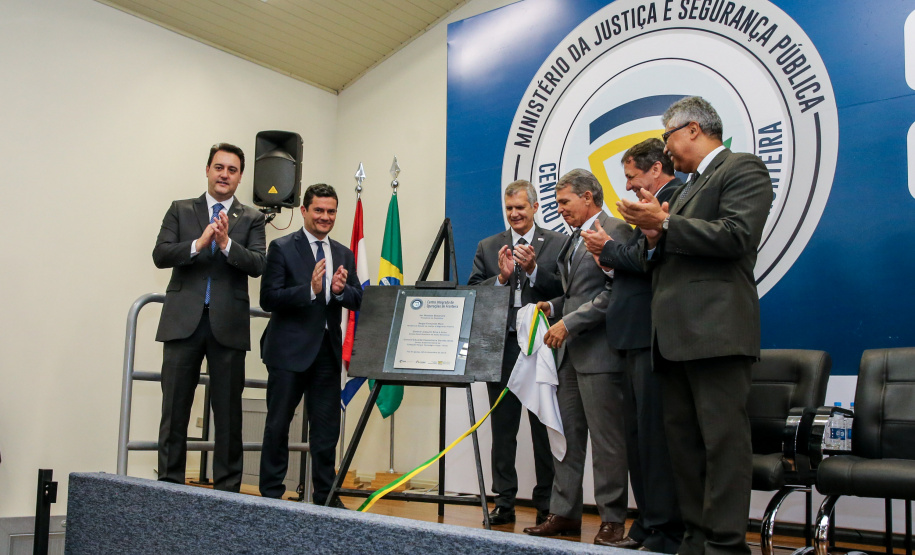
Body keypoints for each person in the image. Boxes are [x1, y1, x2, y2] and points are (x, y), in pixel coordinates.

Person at [617, 96, 773, 555]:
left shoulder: (742, 168)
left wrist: (664, 223)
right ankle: (695, 540)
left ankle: (725, 545)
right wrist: (651, 234)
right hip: (673, 339)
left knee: (723, 446)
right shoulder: (686, 188)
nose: (666, 151)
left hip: (716, 334)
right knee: (682, 449)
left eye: (667, 138)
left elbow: (736, 235)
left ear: (690, 129)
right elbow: (666, 254)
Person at [581, 138, 684, 552]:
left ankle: (665, 529)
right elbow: (638, 258)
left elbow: (648, 261)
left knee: (654, 441)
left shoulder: (672, 202)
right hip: (631, 337)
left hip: (652, 333)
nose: (627, 187)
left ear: (655, 170)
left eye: (631, 176)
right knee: (637, 440)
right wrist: (609, 256)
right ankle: (646, 525)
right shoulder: (648, 210)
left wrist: (609, 250)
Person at [522, 169, 632, 546]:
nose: (561, 209)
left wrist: (568, 323)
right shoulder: (573, 239)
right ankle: (564, 513)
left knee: (607, 444)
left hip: (602, 356)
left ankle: (612, 520)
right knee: (566, 440)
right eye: (557, 203)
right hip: (569, 357)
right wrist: (552, 307)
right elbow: (575, 294)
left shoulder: (617, 231)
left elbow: (615, 293)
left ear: (589, 197)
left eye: (565, 202)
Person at [153, 142, 267, 492]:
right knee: (174, 411)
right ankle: (169, 488)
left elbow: (259, 263)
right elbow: (160, 254)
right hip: (182, 323)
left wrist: (228, 245)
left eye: (232, 170)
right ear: (207, 170)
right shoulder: (181, 209)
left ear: (240, 177)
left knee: (229, 415)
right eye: (219, 167)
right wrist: (199, 243)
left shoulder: (252, 218)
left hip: (228, 326)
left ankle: (228, 493)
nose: (224, 175)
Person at [467, 179, 565, 526]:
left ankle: (547, 504)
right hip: (503, 349)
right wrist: (501, 279)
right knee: (503, 431)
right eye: (509, 209)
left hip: (542, 348)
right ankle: (503, 503)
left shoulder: (558, 243)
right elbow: (474, 292)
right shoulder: (489, 245)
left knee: (543, 427)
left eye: (520, 208)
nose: (514, 214)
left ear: (535, 208)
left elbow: (566, 292)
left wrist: (534, 271)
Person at [258, 183, 363, 507]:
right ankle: (272, 495)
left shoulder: (344, 253)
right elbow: (268, 298)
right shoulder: (282, 247)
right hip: (288, 353)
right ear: (304, 211)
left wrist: (341, 290)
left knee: (326, 431)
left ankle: (326, 496)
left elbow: (358, 298)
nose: (325, 217)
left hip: (327, 356)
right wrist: (311, 289)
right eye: (319, 210)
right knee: (278, 425)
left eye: (331, 211)